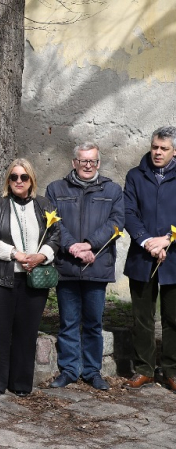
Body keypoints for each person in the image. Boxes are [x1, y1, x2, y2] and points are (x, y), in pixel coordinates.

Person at [0, 158, 60, 397]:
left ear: (31, 179)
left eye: (24, 177)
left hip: (34, 278)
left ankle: (21, 383)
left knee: (27, 331)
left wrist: (41, 257)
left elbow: (55, 237)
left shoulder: (44, 205)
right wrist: (16, 254)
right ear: (8, 180)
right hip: (1, 278)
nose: (19, 181)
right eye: (14, 177)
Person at [45, 142, 124, 391]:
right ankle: (69, 370)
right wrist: (72, 247)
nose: (87, 165)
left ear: (98, 163)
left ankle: (92, 371)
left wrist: (89, 245)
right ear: (74, 163)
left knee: (93, 323)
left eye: (92, 161)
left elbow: (117, 222)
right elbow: (53, 222)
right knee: (68, 322)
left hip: (97, 265)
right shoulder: (56, 188)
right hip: (67, 265)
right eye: (83, 161)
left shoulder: (112, 190)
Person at [121, 126, 176, 391]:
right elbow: (128, 212)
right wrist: (146, 241)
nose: (157, 152)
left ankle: (171, 370)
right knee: (142, 317)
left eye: (164, 148)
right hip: (142, 257)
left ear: (174, 151)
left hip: (174, 257)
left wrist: (167, 239)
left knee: (173, 317)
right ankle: (144, 368)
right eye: (155, 146)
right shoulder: (135, 176)